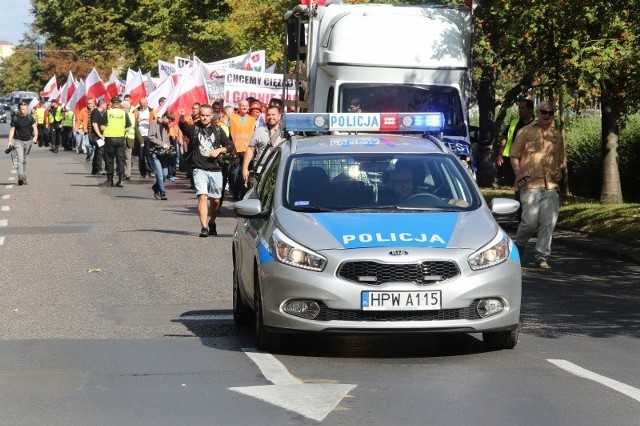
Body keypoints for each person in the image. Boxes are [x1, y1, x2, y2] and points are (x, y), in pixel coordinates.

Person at [510, 100, 566, 269]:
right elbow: (514, 155)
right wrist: (519, 173)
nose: (547, 116)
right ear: (538, 112)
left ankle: (542, 256)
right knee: (530, 222)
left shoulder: (557, 135)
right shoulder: (525, 131)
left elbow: (561, 160)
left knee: (548, 222)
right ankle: (518, 246)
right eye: (544, 112)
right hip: (529, 184)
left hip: (550, 185)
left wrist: (559, 171)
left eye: (550, 113)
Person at [178, 104, 233, 237]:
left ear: (211, 116)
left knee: (215, 201)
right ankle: (204, 227)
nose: (205, 118)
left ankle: (212, 221)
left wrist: (219, 150)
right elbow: (184, 127)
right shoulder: (195, 129)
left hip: (215, 169)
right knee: (202, 196)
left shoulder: (218, 130)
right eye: (202, 115)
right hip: (199, 168)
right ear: (199, 115)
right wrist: (181, 117)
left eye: (207, 115)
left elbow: (229, 146)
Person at [241, 105, 283, 187]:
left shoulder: (286, 132)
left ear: (279, 116)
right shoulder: (259, 131)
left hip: (279, 171)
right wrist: (245, 168)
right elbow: (250, 149)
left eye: (273, 114)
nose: (270, 117)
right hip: (261, 171)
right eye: (268, 115)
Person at [496, 99, 534, 187]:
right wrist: (500, 154)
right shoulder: (514, 123)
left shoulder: (536, 125)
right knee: (514, 183)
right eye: (519, 108)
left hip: (528, 160)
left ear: (530, 110)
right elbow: (504, 138)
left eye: (522, 108)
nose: (520, 110)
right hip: (512, 158)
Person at [99, 97, 131, 187]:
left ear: (111, 103)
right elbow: (128, 127)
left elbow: (102, 127)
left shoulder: (108, 113)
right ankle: (120, 180)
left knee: (109, 159)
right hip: (120, 138)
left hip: (110, 138)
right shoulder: (124, 113)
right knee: (120, 159)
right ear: (119, 104)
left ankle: (110, 180)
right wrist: (121, 129)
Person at [228, 99, 256, 200]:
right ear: (238, 107)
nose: (244, 107)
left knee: (245, 174)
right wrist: (232, 150)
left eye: (246, 106)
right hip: (235, 150)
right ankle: (235, 192)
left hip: (247, 151)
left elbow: (254, 135)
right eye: (242, 106)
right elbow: (228, 135)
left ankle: (243, 195)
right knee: (234, 173)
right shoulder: (232, 118)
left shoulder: (252, 120)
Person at [7, 102, 38, 185]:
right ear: (19, 109)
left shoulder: (30, 117)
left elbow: (35, 128)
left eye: (26, 109)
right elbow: (12, 130)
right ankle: (20, 176)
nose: (25, 111)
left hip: (28, 141)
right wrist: (10, 141)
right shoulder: (15, 118)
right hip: (18, 141)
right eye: (23, 109)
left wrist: (35, 137)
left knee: (25, 160)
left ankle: (24, 176)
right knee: (20, 160)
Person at [148, 111, 175, 200]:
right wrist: (162, 144)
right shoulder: (154, 124)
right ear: (164, 116)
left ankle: (156, 187)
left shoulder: (166, 126)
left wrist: (168, 146)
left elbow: (167, 139)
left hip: (163, 153)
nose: (169, 122)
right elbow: (151, 137)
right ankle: (162, 192)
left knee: (165, 174)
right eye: (169, 120)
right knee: (159, 175)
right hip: (155, 152)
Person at [133, 97, 156, 178]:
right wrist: (137, 121)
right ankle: (143, 172)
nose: (142, 107)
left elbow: (155, 121)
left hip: (149, 135)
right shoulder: (136, 111)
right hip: (140, 136)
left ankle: (151, 171)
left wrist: (150, 122)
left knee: (149, 154)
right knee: (141, 155)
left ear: (147, 103)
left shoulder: (152, 111)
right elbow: (132, 122)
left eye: (144, 105)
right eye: (141, 105)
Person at [90, 99, 107, 175]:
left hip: (100, 135)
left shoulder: (102, 112)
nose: (106, 106)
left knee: (98, 151)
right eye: (105, 104)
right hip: (96, 136)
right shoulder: (95, 112)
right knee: (100, 151)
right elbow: (94, 124)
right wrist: (100, 135)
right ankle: (98, 169)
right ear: (102, 105)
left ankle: (95, 169)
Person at [121, 100, 136, 180]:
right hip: (120, 138)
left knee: (128, 157)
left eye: (126, 107)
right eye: (123, 107)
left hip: (129, 138)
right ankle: (122, 172)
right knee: (121, 156)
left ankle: (128, 174)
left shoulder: (131, 115)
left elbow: (132, 126)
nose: (125, 109)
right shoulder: (120, 115)